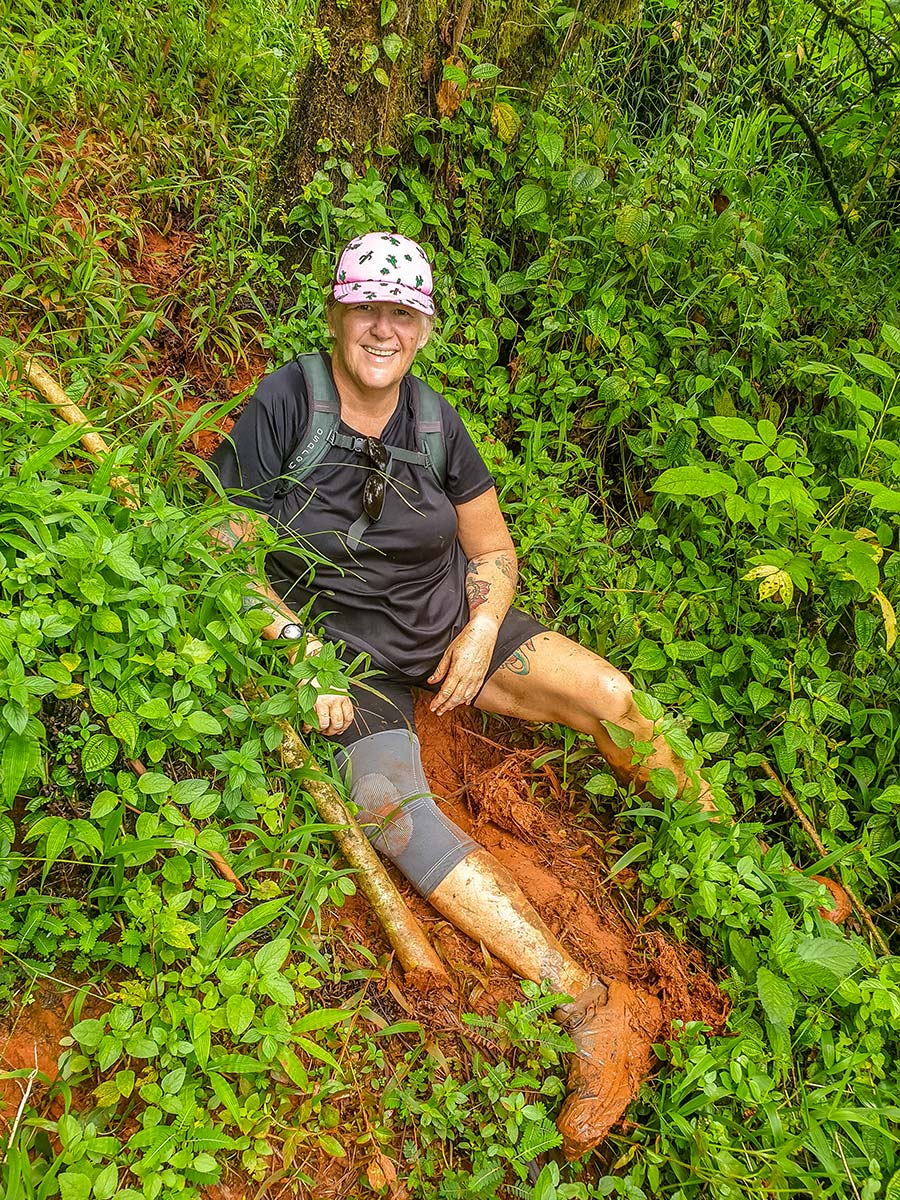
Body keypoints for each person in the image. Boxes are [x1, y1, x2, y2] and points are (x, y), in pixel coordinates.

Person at [210, 231, 714, 1159]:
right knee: (389, 809)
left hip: (450, 630)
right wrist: (299, 653)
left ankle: (725, 852)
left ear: (425, 330)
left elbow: (492, 551)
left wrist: (483, 630)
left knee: (608, 690)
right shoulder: (288, 402)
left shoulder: (436, 422)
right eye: (367, 306)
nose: (383, 328)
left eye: (403, 313)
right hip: (346, 659)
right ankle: (590, 1006)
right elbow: (227, 549)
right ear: (335, 312)